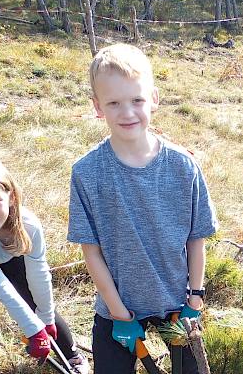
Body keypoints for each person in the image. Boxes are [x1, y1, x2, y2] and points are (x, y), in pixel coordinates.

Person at [67, 43, 218, 374]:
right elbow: (91, 252)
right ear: (97, 107)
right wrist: (120, 314)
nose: (127, 112)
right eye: (114, 103)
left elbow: (196, 240)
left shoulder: (184, 167)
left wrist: (194, 299)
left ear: (154, 98)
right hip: (117, 307)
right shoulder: (87, 173)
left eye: (137, 100)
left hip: (177, 304)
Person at [0, 156, 88, 374]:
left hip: (15, 261)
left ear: (11, 196)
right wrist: (33, 329)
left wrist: (46, 320)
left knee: (40, 307)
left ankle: (72, 357)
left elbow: (39, 274)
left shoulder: (29, 225)